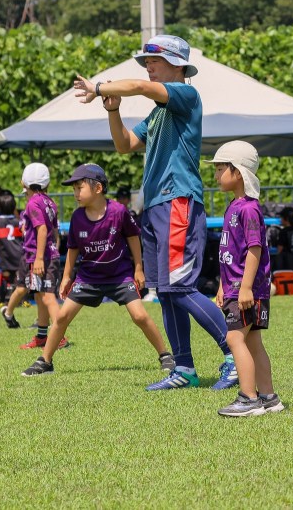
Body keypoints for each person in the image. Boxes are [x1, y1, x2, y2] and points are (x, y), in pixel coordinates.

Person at [73, 34, 235, 392]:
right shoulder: (160, 112)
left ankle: (234, 355)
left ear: (178, 64)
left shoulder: (185, 95)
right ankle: (184, 369)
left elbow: (140, 87)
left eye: (155, 60)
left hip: (178, 200)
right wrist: (113, 110)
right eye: (147, 61)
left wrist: (99, 86)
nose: (148, 67)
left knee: (180, 286)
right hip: (157, 206)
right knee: (165, 291)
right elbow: (125, 145)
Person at [22, 163, 174, 377]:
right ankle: (45, 361)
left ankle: (165, 355)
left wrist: (139, 269)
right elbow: (73, 249)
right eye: (73, 189)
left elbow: (133, 238)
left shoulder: (118, 212)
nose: (75, 193)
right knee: (62, 316)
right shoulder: (77, 217)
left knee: (140, 316)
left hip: (120, 276)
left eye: (79, 188)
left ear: (98, 188)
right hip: (88, 278)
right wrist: (66, 277)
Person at [207, 142, 284, 416]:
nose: (216, 176)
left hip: (246, 289)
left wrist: (246, 287)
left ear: (237, 172)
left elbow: (255, 248)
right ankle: (269, 397)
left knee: (234, 339)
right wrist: (221, 285)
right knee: (253, 342)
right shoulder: (234, 206)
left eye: (219, 169)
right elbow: (230, 252)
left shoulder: (249, 209)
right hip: (235, 287)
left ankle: (248, 398)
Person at [15, 163, 69, 351]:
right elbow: (54, 231)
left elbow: (43, 229)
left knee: (47, 297)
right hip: (46, 255)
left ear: (24, 182)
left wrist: (39, 258)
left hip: (40, 257)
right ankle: (42, 337)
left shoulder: (32, 203)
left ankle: (59, 335)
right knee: (39, 297)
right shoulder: (49, 202)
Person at [0, 191, 27, 326]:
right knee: (19, 281)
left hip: (6, 256)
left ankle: (3, 300)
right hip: (19, 255)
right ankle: (21, 301)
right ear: (14, 207)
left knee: (5, 278)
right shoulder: (17, 221)